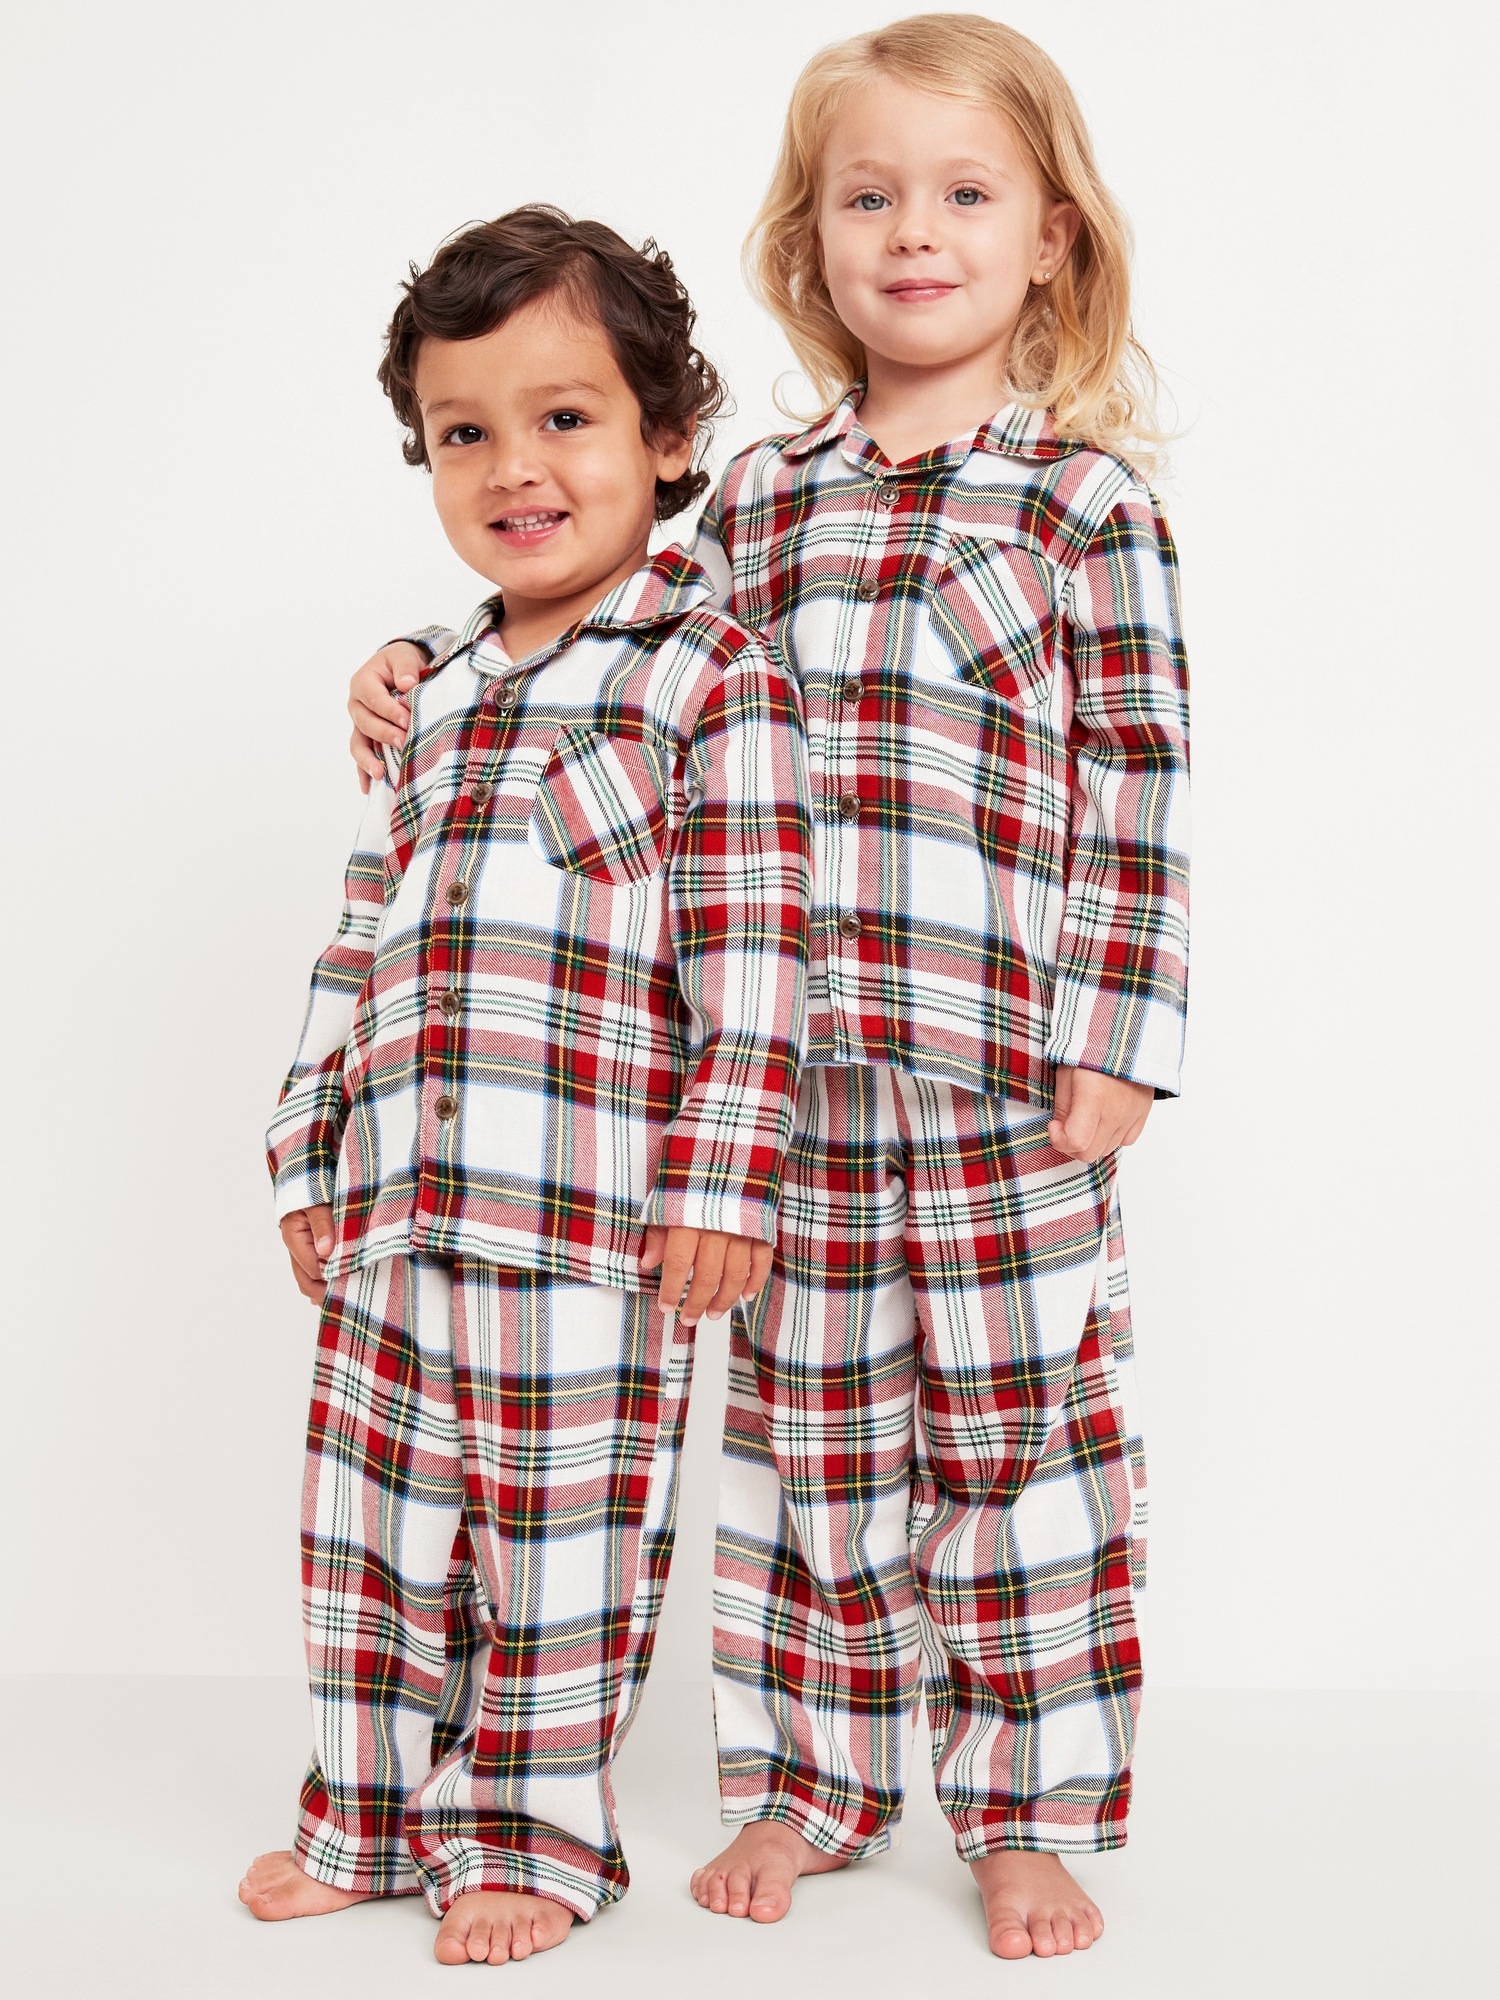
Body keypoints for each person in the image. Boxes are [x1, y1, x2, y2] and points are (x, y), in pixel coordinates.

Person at [347, 12, 1189, 1961]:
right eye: (868, 197)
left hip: (1001, 1075)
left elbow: (1142, 778)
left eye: (963, 194)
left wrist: (1122, 1040)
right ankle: (814, 1780)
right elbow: (598, 630)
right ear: (812, 242)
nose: (916, 232)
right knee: (812, 1443)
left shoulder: (1085, 506)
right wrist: (415, 661)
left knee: (1016, 1441)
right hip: (780, 1081)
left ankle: (1027, 1807)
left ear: (1049, 236)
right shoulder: (753, 501)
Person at [239, 205, 812, 1968]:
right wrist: (307, 1151)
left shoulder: (710, 674)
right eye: (465, 431)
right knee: (369, 1536)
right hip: (399, 1211)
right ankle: (362, 1811)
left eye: (566, 418)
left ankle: (531, 1838)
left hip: (591, 1229)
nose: (515, 467)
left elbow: (753, 948)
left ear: (669, 439)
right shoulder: (429, 692)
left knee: (563, 1555)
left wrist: (725, 1177)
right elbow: (365, 938)